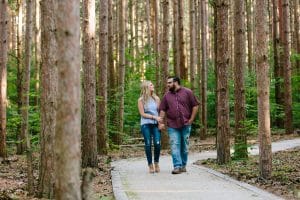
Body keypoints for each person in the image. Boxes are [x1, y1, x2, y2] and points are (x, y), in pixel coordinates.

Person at [159, 76, 199, 174]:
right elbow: (162, 109)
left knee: (184, 146)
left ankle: (183, 165)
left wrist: (191, 119)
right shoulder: (166, 96)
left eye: (169, 83)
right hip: (172, 125)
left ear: (176, 82)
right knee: (174, 145)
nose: (167, 85)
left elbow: (195, 105)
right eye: (167, 83)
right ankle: (177, 166)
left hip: (186, 124)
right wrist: (160, 123)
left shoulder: (188, 92)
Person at [138, 80, 162, 173]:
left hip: (156, 124)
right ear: (146, 87)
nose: (153, 86)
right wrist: (153, 117)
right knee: (148, 144)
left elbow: (159, 113)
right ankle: (150, 165)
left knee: (157, 143)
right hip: (145, 124)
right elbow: (142, 114)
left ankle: (156, 162)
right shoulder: (141, 100)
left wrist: (160, 123)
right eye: (151, 85)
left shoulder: (157, 99)